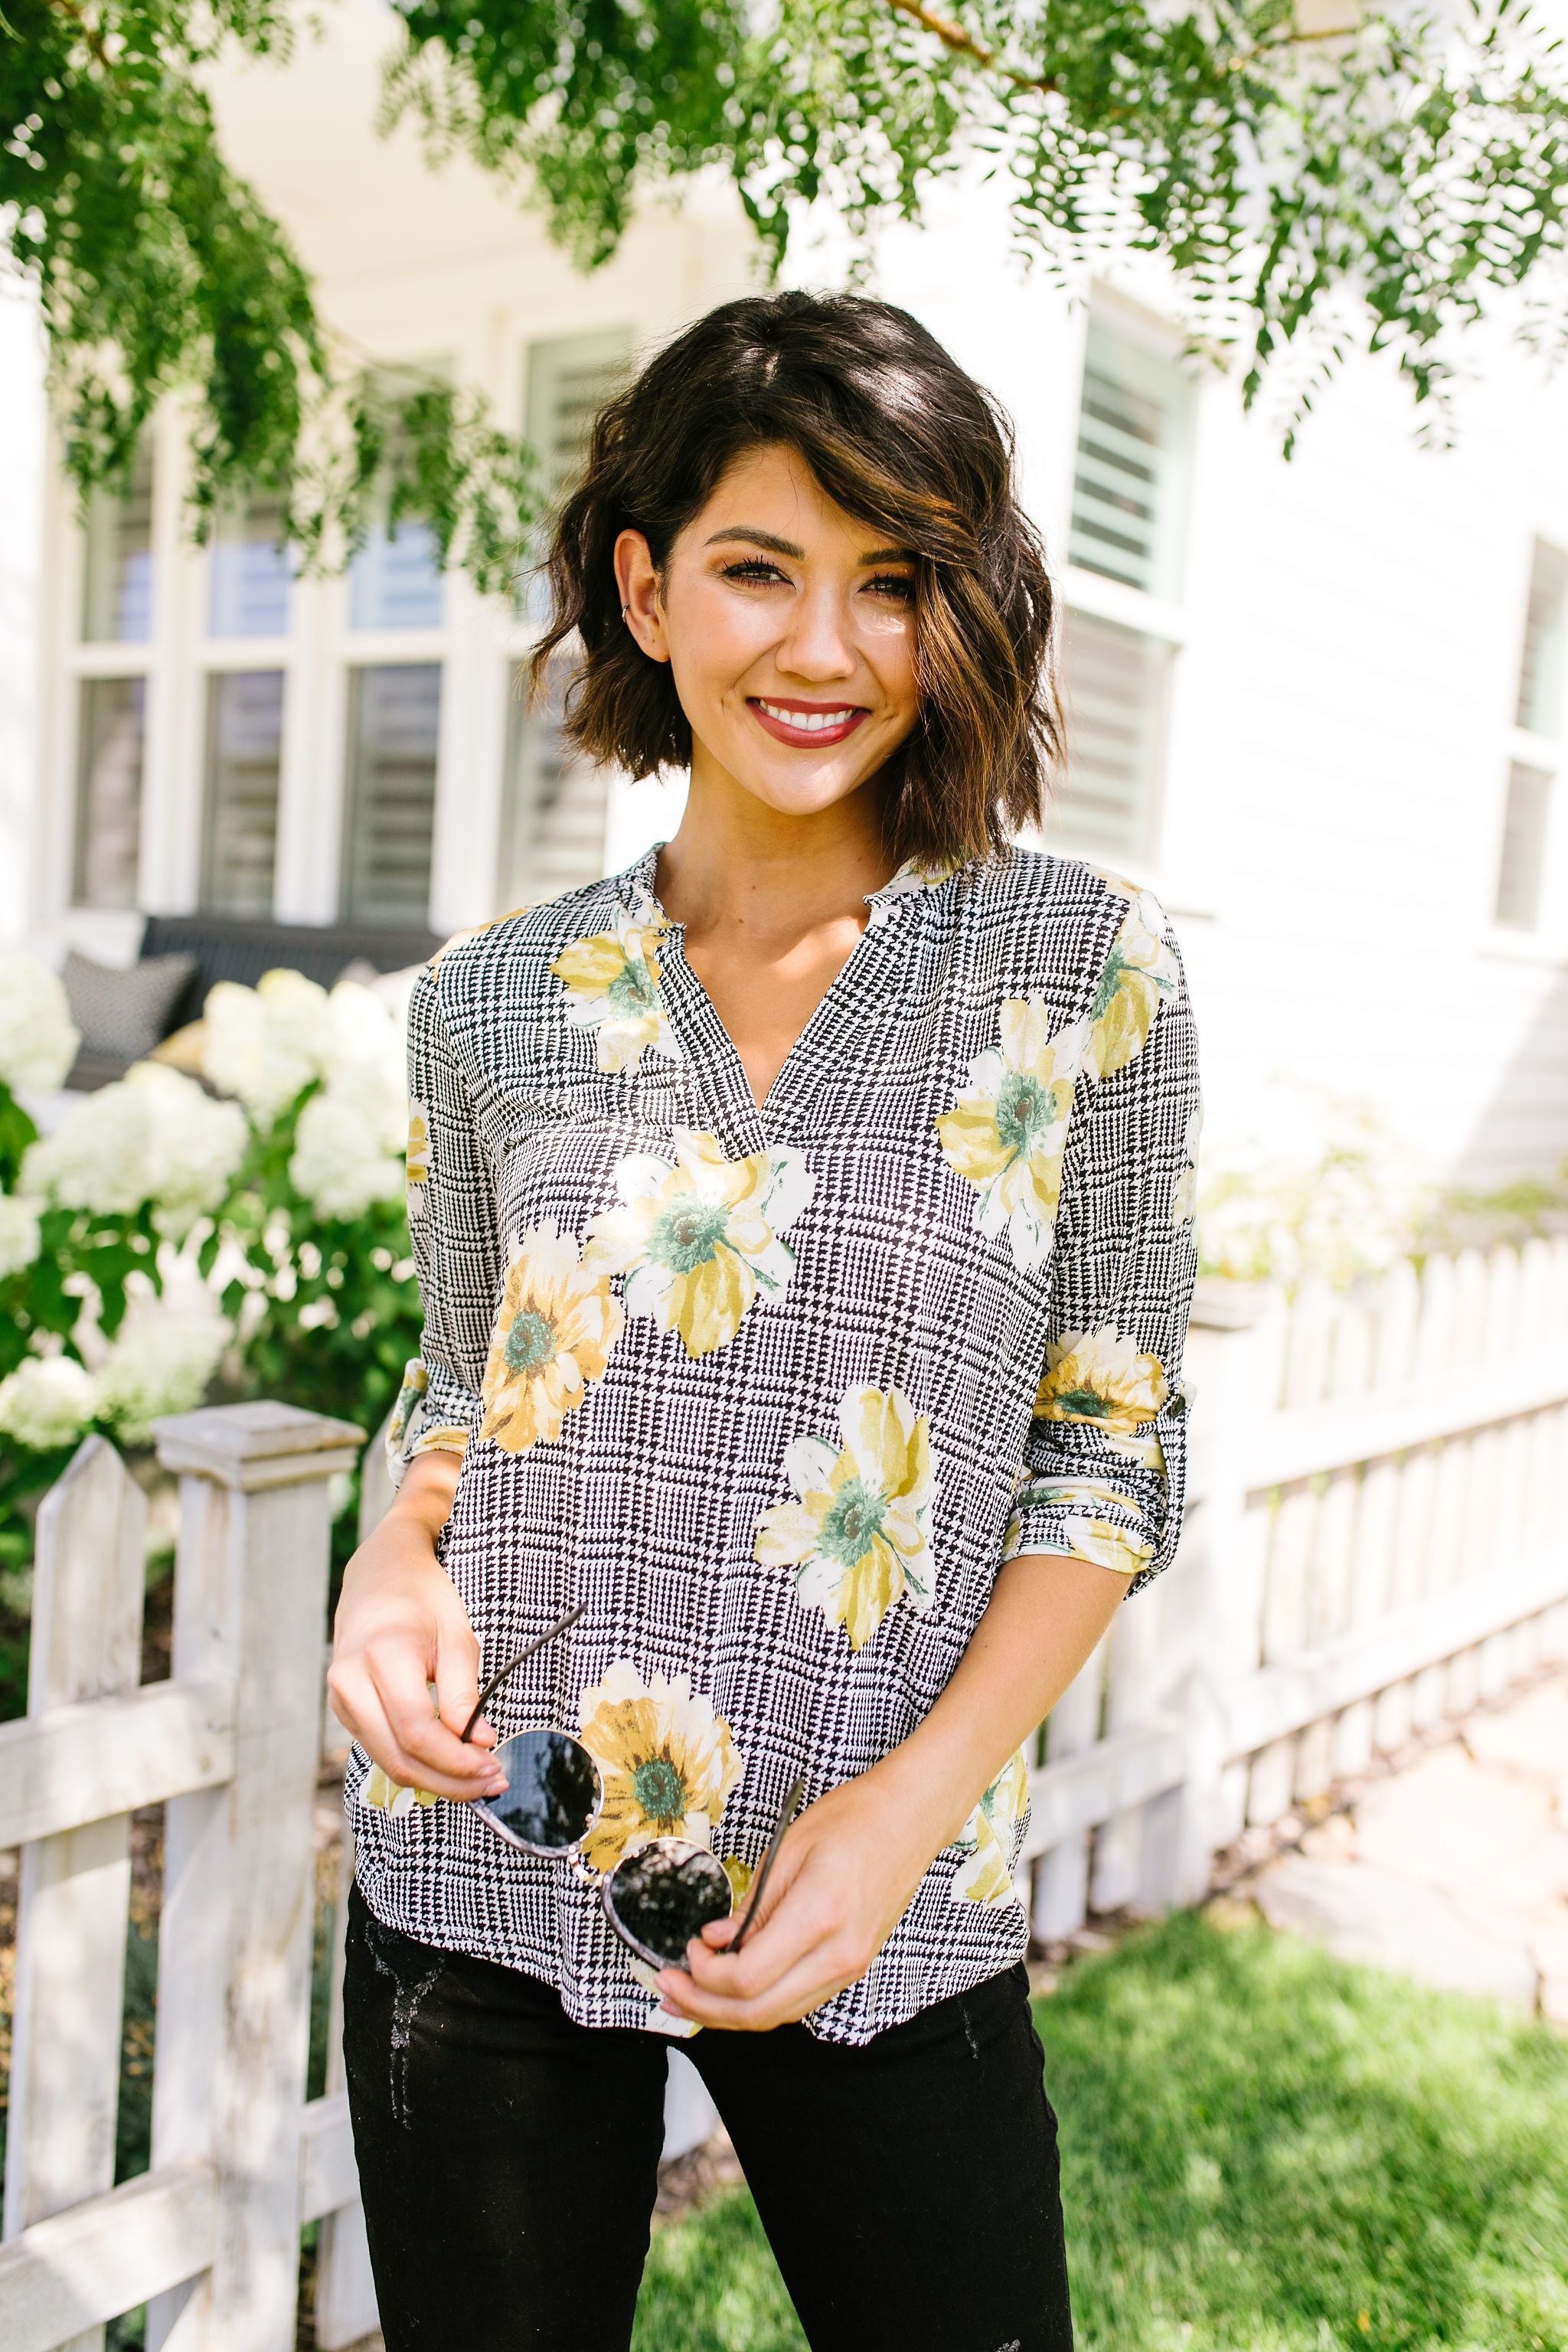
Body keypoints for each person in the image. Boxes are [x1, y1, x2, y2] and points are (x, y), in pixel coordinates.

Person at [328, 288, 1201, 2352]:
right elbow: (466, 1385)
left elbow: (1111, 1443)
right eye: (756, 570)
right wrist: (387, 1564)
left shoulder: (1084, 976)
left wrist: (908, 1818)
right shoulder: (493, 1001)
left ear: (962, 609)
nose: (823, 648)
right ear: (647, 586)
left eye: (892, 582)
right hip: (490, 1852)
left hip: (874, 1882)